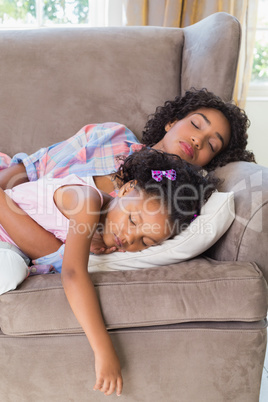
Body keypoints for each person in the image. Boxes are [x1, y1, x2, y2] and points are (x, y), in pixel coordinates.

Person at [0, 148, 218, 396]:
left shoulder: (105, 237)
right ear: (126, 189)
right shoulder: (87, 202)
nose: (128, 238)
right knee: (8, 271)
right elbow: (72, 273)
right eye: (133, 221)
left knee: (10, 268)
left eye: (145, 242)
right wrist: (104, 350)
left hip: (10, 249)